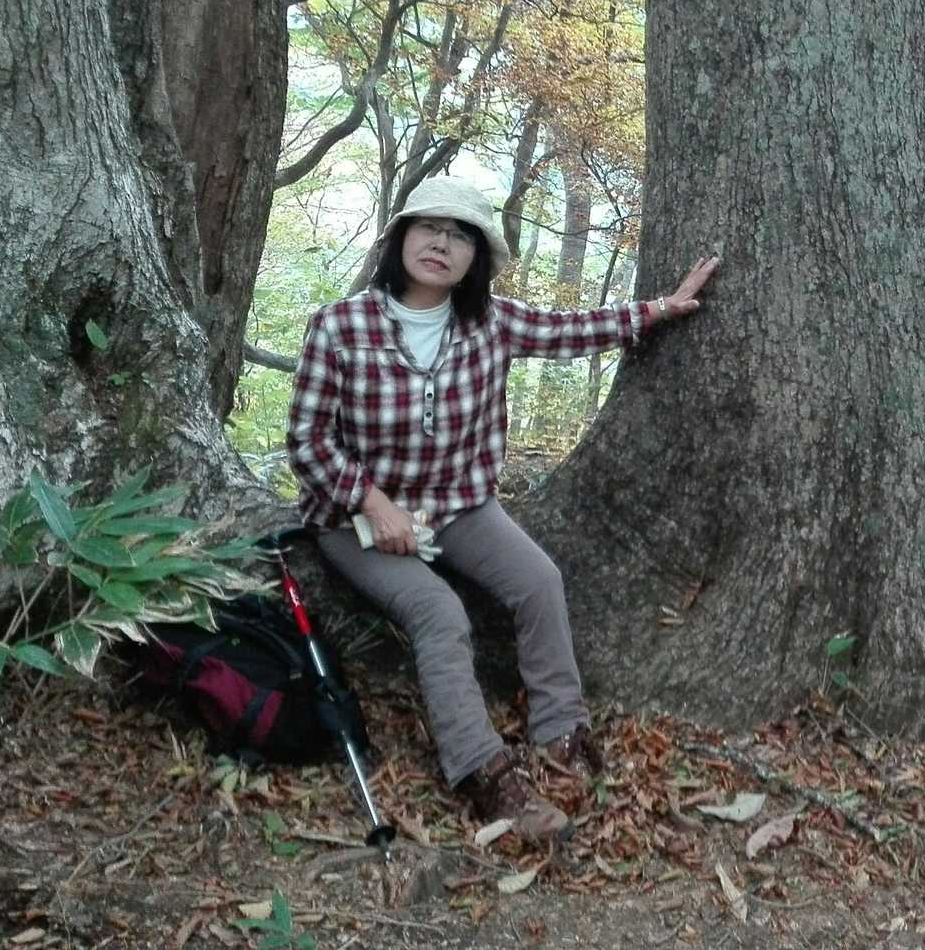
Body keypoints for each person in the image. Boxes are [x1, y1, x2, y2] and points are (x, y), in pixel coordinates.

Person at [285, 176, 718, 841]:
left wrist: (663, 307)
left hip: (458, 505)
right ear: (401, 238)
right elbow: (307, 441)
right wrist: (372, 501)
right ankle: (484, 771)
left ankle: (560, 729)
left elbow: (574, 330)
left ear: (476, 258)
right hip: (354, 521)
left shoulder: (490, 322)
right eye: (429, 228)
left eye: (460, 236)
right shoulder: (341, 327)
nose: (441, 244)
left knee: (539, 580)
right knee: (439, 612)